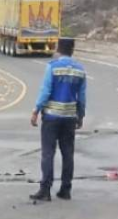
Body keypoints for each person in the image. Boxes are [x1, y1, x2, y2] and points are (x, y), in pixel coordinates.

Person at [30, 38, 87, 202]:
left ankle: (45, 190)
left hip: (52, 117)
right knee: (68, 154)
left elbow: (45, 91)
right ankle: (66, 189)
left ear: (58, 49)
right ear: (73, 50)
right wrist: (80, 116)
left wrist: (36, 110)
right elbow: (82, 97)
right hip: (69, 118)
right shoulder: (80, 70)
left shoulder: (52, 67)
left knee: (48, 153)